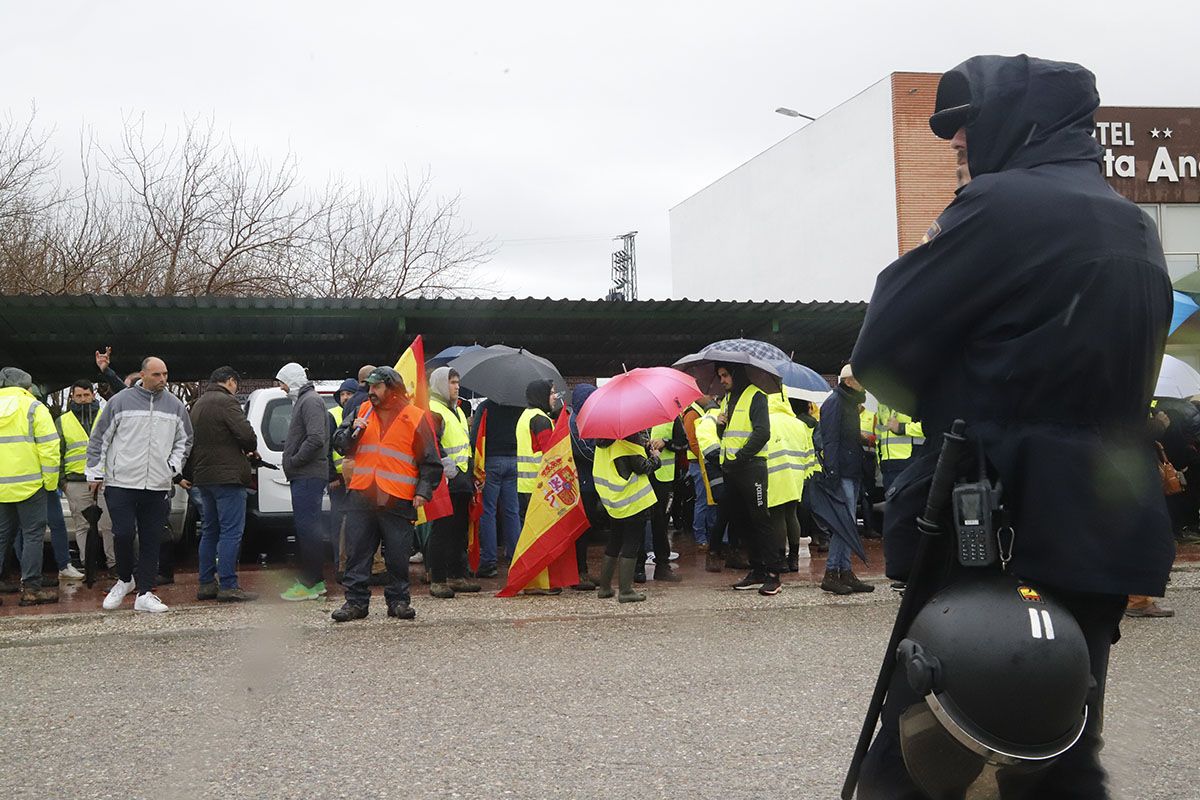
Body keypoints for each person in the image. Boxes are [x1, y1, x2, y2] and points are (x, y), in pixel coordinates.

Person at [851, 55, 1176, 798]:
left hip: (993, 515)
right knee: (1058, 738)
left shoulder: (999, 206)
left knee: (921, 746)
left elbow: (881, 356)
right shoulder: (1133, 221)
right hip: (1099, 520)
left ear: (1015, 121)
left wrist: (954, 401)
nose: (958, 144)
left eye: (966, 125)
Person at [330, 366, 442, 622]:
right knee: (358, 552)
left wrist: (423, 491)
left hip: (397, 496)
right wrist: (350, 432)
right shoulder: (362, 411)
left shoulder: (415, 416)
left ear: (392, 389)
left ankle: (399, 601)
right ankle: (355, 603)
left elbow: (430, 460)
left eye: (376, 387)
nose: (370, 392)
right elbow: (338, 443)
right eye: (369, 387)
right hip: (363, 494)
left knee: (397, 554)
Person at [88, 357, 193, 613]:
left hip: (157, 484)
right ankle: (125, 579)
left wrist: (172, 468)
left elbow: (185, 440)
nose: (163, 379)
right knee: (122, 534)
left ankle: (144, 593)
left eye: (165, 374)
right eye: (157, 375)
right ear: (143, 375)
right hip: (121, 482)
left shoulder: (175, 406)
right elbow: (100, 437)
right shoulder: (120, 402)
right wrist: (94, 473)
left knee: (151, 540)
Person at [184, 366, 259, 602]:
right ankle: (228, 585)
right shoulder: (226, 402)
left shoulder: (199, 404)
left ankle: (206, 583)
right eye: (235, 384)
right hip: (227, 479)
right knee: (230, 532)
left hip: (204, 478)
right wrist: (250, 449)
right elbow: (246, 435)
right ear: (230, 381)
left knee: (209, 530)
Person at [717, 363, 785, 596]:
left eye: (725, 375)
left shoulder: (756, 395)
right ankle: (757, 570)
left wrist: (740, 457)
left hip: (752, 467)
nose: (723, 380)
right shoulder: (727, 400)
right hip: (733, 468)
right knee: (743, 521)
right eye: (720, 376)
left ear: (735, 373)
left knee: (761, 520)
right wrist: (719, 426)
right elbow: (728, 435)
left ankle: (774, 575)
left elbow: (762, 431)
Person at [0, 367, 60, 606]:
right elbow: (50, 449)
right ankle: (32, 589)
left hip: (1, 487)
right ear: (27, 386)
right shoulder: (34, 407)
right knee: (33, 535)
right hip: (31, 485)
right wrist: (50, 483)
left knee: (2, 536)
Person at [275, 362, 331, 602]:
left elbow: (316, 438)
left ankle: (312, 582)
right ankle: (313, 580)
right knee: (307, 529)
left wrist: (295, 460)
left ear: (293, 380)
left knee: (308, 530)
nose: (282, 388)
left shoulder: (309, 401)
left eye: (283, 383)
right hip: (306, 475)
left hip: (308, 475)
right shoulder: (306, 400)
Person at [426, 367, 482, 599]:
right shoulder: (433, 410)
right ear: (440, 384)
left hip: (461, 480)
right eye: (451, 382)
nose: (456, 386)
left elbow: (462, 445)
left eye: (457, 382)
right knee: (442, 530)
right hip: (446, 482)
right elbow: (433, 445)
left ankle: (457, 575)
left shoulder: (456, 410)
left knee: (459, 530)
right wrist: (451, 473)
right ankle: (438, 579)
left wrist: (469, 474)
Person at [817, 365, 873, 595]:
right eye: (859, 380)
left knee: (846, 523)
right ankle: (832, 572)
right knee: (844, 523)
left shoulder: (847, 403)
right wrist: (833, 472)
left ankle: (844, 571)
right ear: (848, 382)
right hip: (842, 472)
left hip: (850, 469)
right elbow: (830, 440)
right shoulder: (837, 403)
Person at [593, 430, 661, 603]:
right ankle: (626, 591)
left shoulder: (602, 443)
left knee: (614, 541)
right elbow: (642, 467)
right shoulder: (627, 443)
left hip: (613, 502)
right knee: (631, 543)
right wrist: (655, 457)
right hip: (633, 500)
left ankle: (605, 588)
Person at [58, 379, 115, 575]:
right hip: (76, 481)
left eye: (86, 395)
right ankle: (88, 564)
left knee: (108, 525)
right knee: (82, 526)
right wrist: (62, 482)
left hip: (104, 480)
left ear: (93, 395)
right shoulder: (63, 421)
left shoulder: (105, 417)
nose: (83, 399)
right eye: (78, 396)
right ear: (72, 397)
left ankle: (113, 565)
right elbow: (57, 452)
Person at [470, 396, 524, 579]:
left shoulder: (485, 407)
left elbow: (476, 435)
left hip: (491, 460)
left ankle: (489, 562)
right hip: (514, 460)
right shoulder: (519, 407)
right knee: (512, 511)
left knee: (488, 511)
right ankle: (515, 557)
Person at [641, 417, 685, 582]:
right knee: (638, 522)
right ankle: (638, 568)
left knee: (661, 523)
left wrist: (666, 442)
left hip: (663, 478)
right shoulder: (634, 413)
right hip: (641, 476)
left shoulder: (671, 417)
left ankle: (662, 566)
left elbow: (683, 443)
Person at [567, 383, 601, 591]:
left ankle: (583, 570)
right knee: (580, 529)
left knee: (587, 527)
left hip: (590, 481)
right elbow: (584, 451)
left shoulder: (586, 420)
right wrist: (603, 453)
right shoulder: (574, 422)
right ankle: (578, 573)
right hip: (582, 482)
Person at [327, 377, 360, 574]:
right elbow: (327, 448)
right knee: (338, 522)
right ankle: (338, 564)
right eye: (342, 394)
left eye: (349, 393)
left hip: (356, 478)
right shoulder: (333, 415)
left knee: (355, 523)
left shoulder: (359, 412)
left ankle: (351, 562)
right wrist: (331, 476)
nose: (345, 397)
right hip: (339, 480)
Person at [516, 379, 557, 522]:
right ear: (541, 395)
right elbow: (550, 452)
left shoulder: (525, 416)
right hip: (540, 484)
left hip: (524, 484)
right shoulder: (541, 419)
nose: (555, 397)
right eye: (551, 393)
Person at [874, 404, 925, 496]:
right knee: (891, 506)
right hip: (887, 467)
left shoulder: (913, 398)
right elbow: (879, 435)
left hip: (909, 464)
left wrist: (902, 428)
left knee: (908, 506)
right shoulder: (881, 405)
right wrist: (880, 460)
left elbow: (931, 427)